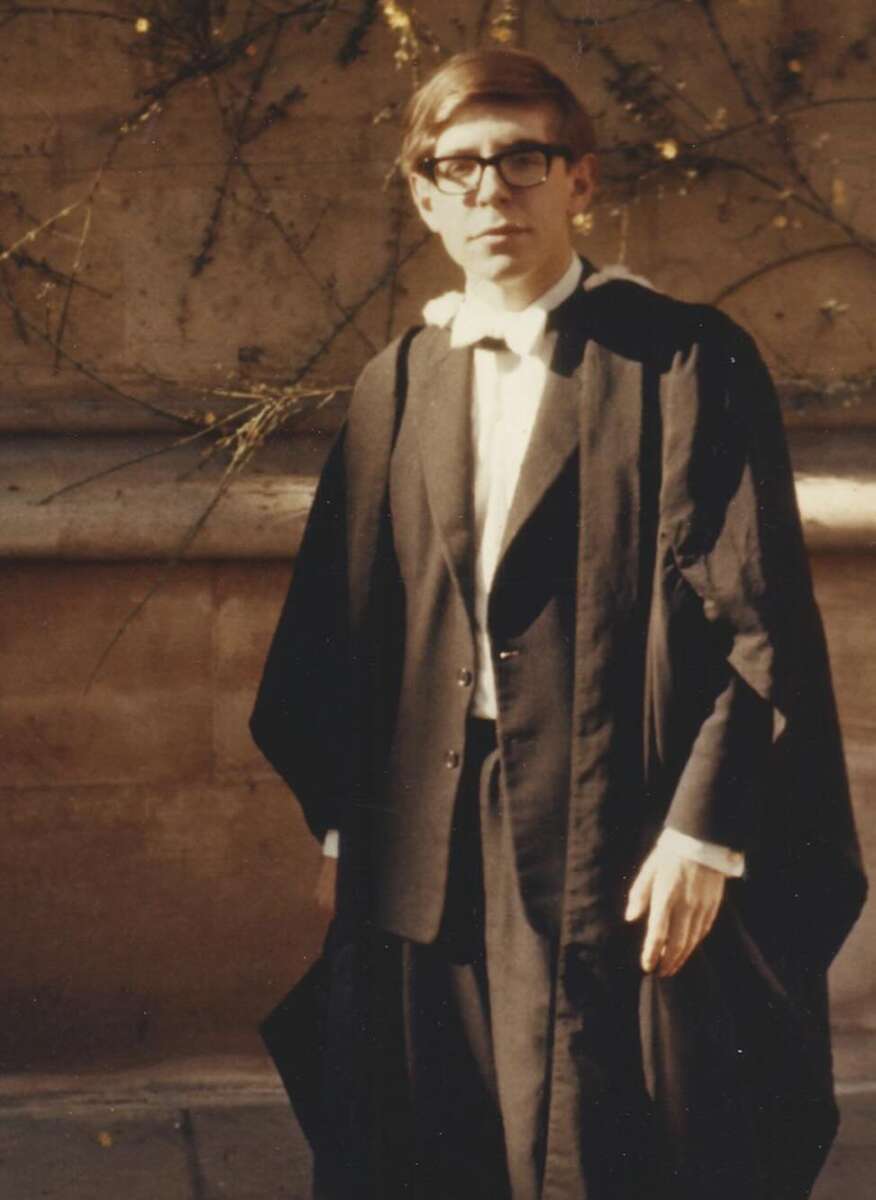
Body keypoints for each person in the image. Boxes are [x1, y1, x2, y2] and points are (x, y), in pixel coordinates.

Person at [251, 48, 866, 1200]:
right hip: (425, 836)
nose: (492, 193)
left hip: (614, 826)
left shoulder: (682, 361)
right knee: (427, 1138)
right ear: (426, 198)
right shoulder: (398, 382)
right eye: (459, 169)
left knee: (605, 1140)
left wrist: (705, 832)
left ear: (580, 182)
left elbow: (757, 620)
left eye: (522, 160)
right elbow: (339, 629)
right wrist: (345, 828)